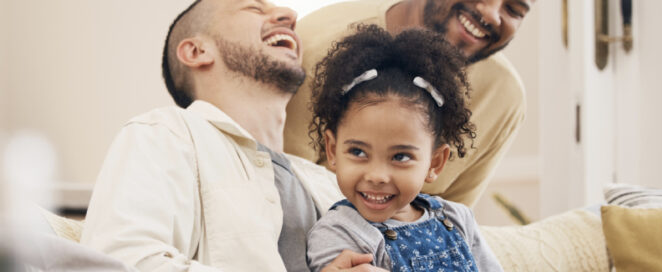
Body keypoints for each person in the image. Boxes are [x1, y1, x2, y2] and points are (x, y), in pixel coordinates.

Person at [79, 0, 377, 271]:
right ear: (197, 51)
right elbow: (117, 262)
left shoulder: (331, 181)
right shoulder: (164, 133)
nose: (289, 15)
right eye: (254, 8)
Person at [285, 0, 536, 207]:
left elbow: (453, 223)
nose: (491, 14)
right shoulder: (314, 46)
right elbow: (283, 189)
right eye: (358, 152)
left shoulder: (503, 96)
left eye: (514, 9)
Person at [306, 25, 502, 271]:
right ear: (332, 150)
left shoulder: (457, 218)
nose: (376, 176)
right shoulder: (339, 233)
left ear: (434, 163)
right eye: (358, 152)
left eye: (400, 156)